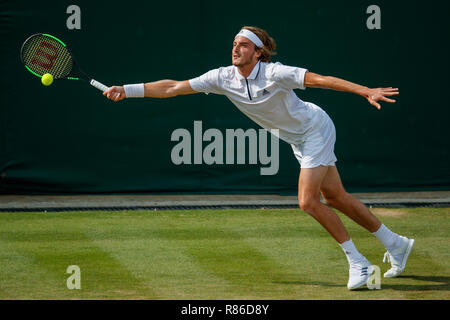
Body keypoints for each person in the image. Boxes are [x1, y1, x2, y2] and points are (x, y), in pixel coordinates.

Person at [103, 26, 414, 290]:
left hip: (315, 129)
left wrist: (365, 91)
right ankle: (396, 243)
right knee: (335, 197)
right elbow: (172, 87)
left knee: (307, 201)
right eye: (235, 45)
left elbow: (321, 80)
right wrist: (127, 90)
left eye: (244, 45)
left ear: (259, 52)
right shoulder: (222, 77)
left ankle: (357, 261)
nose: (236, 49)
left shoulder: (276, 73)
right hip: (296, 138)